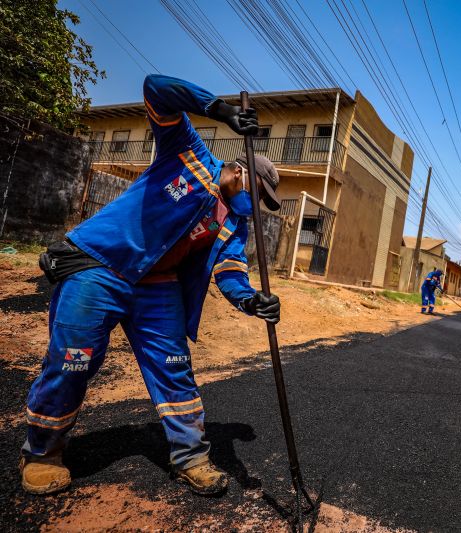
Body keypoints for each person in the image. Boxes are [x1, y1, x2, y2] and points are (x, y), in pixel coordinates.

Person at [20, 74, 282, 497]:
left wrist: (252, 301)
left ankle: (192, 457)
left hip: (158, 288)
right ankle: (42, 453)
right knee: (73, 361)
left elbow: (230, 272)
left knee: (175, 370)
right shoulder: (188, 155)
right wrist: (219, 109)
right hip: (102, 269)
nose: (256, 204)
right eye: (258, 191)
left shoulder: (234, 222)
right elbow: (155, 88)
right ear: (239, 170)